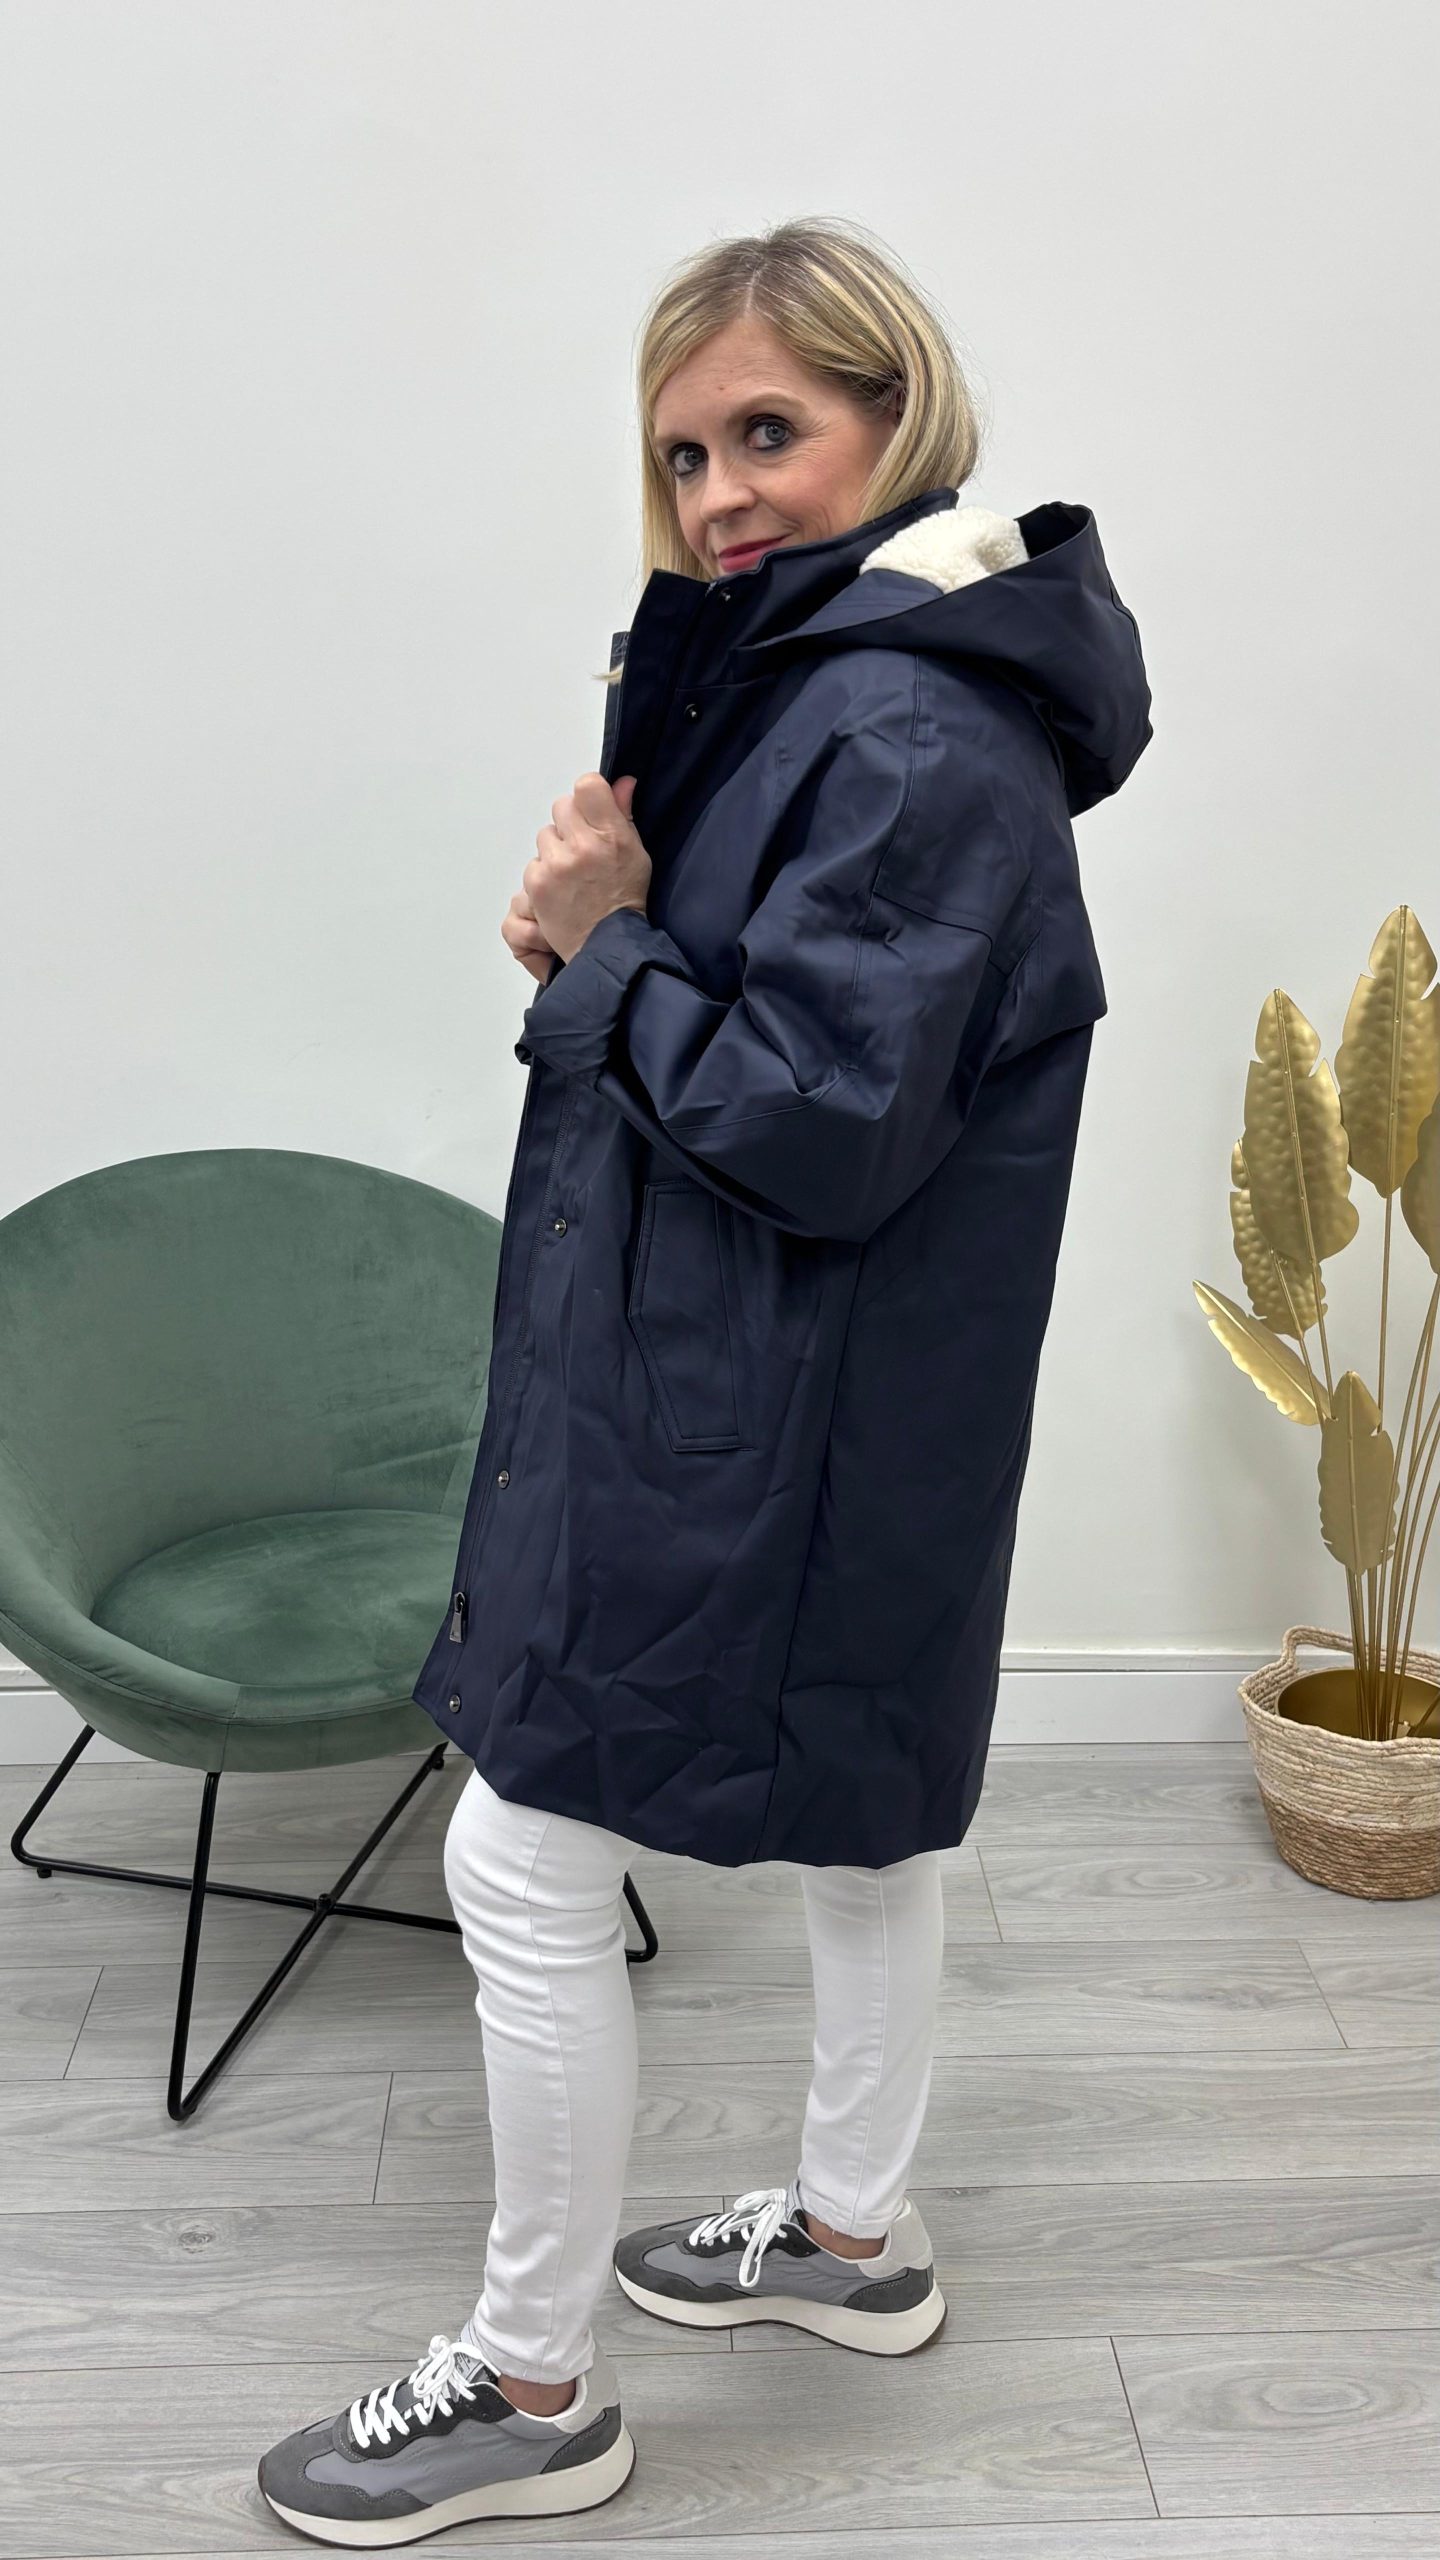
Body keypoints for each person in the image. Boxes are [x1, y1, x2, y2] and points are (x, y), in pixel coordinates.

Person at [258, 213, 1152, 2544]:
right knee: (869, 1802)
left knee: (519, 1847)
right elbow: (784, 1054)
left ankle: (535, 2384)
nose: (722, 491)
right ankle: (854, 2236)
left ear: (897, 417)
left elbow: (817, 1124)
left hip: (762, 1397)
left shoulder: (904, 723)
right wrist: (618, 946)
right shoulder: (815, 686)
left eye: (771, 429)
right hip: (822, 1391)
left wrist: (597, 947)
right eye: (682, 453)